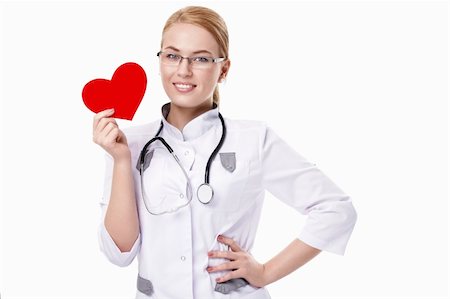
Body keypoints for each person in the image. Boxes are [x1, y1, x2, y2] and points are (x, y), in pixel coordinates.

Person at [92, 5, 357, 299]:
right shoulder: (127, 143)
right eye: (172, 55)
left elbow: (335, 209)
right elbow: (120, 254)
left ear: (224, 69)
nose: (183, 70)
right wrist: (120, 160)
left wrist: (266, 272)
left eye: (201, 59)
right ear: (160, 61)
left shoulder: (254, 139)